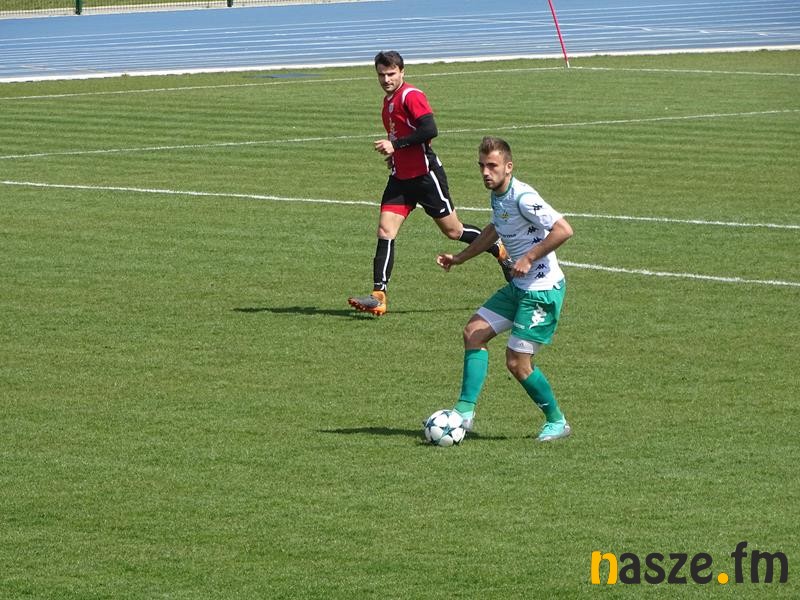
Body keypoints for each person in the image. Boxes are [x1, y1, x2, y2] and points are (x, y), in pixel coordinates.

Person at [348, 50, 512, 317]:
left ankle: (497, 247)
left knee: (454, 231)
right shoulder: (388, 102)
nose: (386, 79)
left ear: (402, 72)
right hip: (400, 179)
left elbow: (429, 130)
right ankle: (379, 295)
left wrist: (396, 146)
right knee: (385, 230)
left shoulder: (411, 96)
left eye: (391, 74)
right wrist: (395, 156)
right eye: (381, 75)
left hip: (426, 177)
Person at [436, 136, 573, 442]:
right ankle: (464, 412)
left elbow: (564, 230)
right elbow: (494, 229)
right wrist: (459, 258)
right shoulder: (499, 196)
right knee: (474, 332)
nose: (486, 172)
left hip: (541, 291)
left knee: (517, 363)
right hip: (519, 287)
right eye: (482, 166)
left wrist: (528, 257)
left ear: (508, 167)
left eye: (492, 166)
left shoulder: (523, 197)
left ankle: (557, 421)